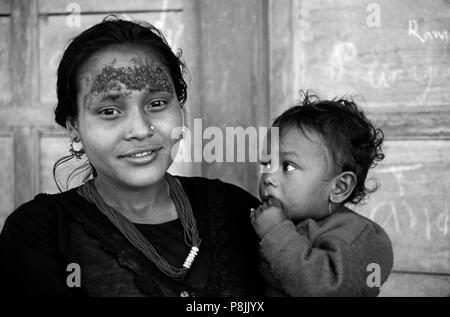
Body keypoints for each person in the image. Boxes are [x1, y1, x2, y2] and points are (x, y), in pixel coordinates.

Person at [0, 16, 262, 297]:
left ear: (181, 112)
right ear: (73, 126)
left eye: (157, 103)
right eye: (110, 111)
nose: (140, 130)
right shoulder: (40, 234)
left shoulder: (238, 211)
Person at [250, 92, 394, 296]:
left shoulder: (355, 237)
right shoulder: (277, 220)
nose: (268, 177)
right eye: (266, 163)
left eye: (288, 166)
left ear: (339, 187)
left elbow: (327, 288)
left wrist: (277, 234)